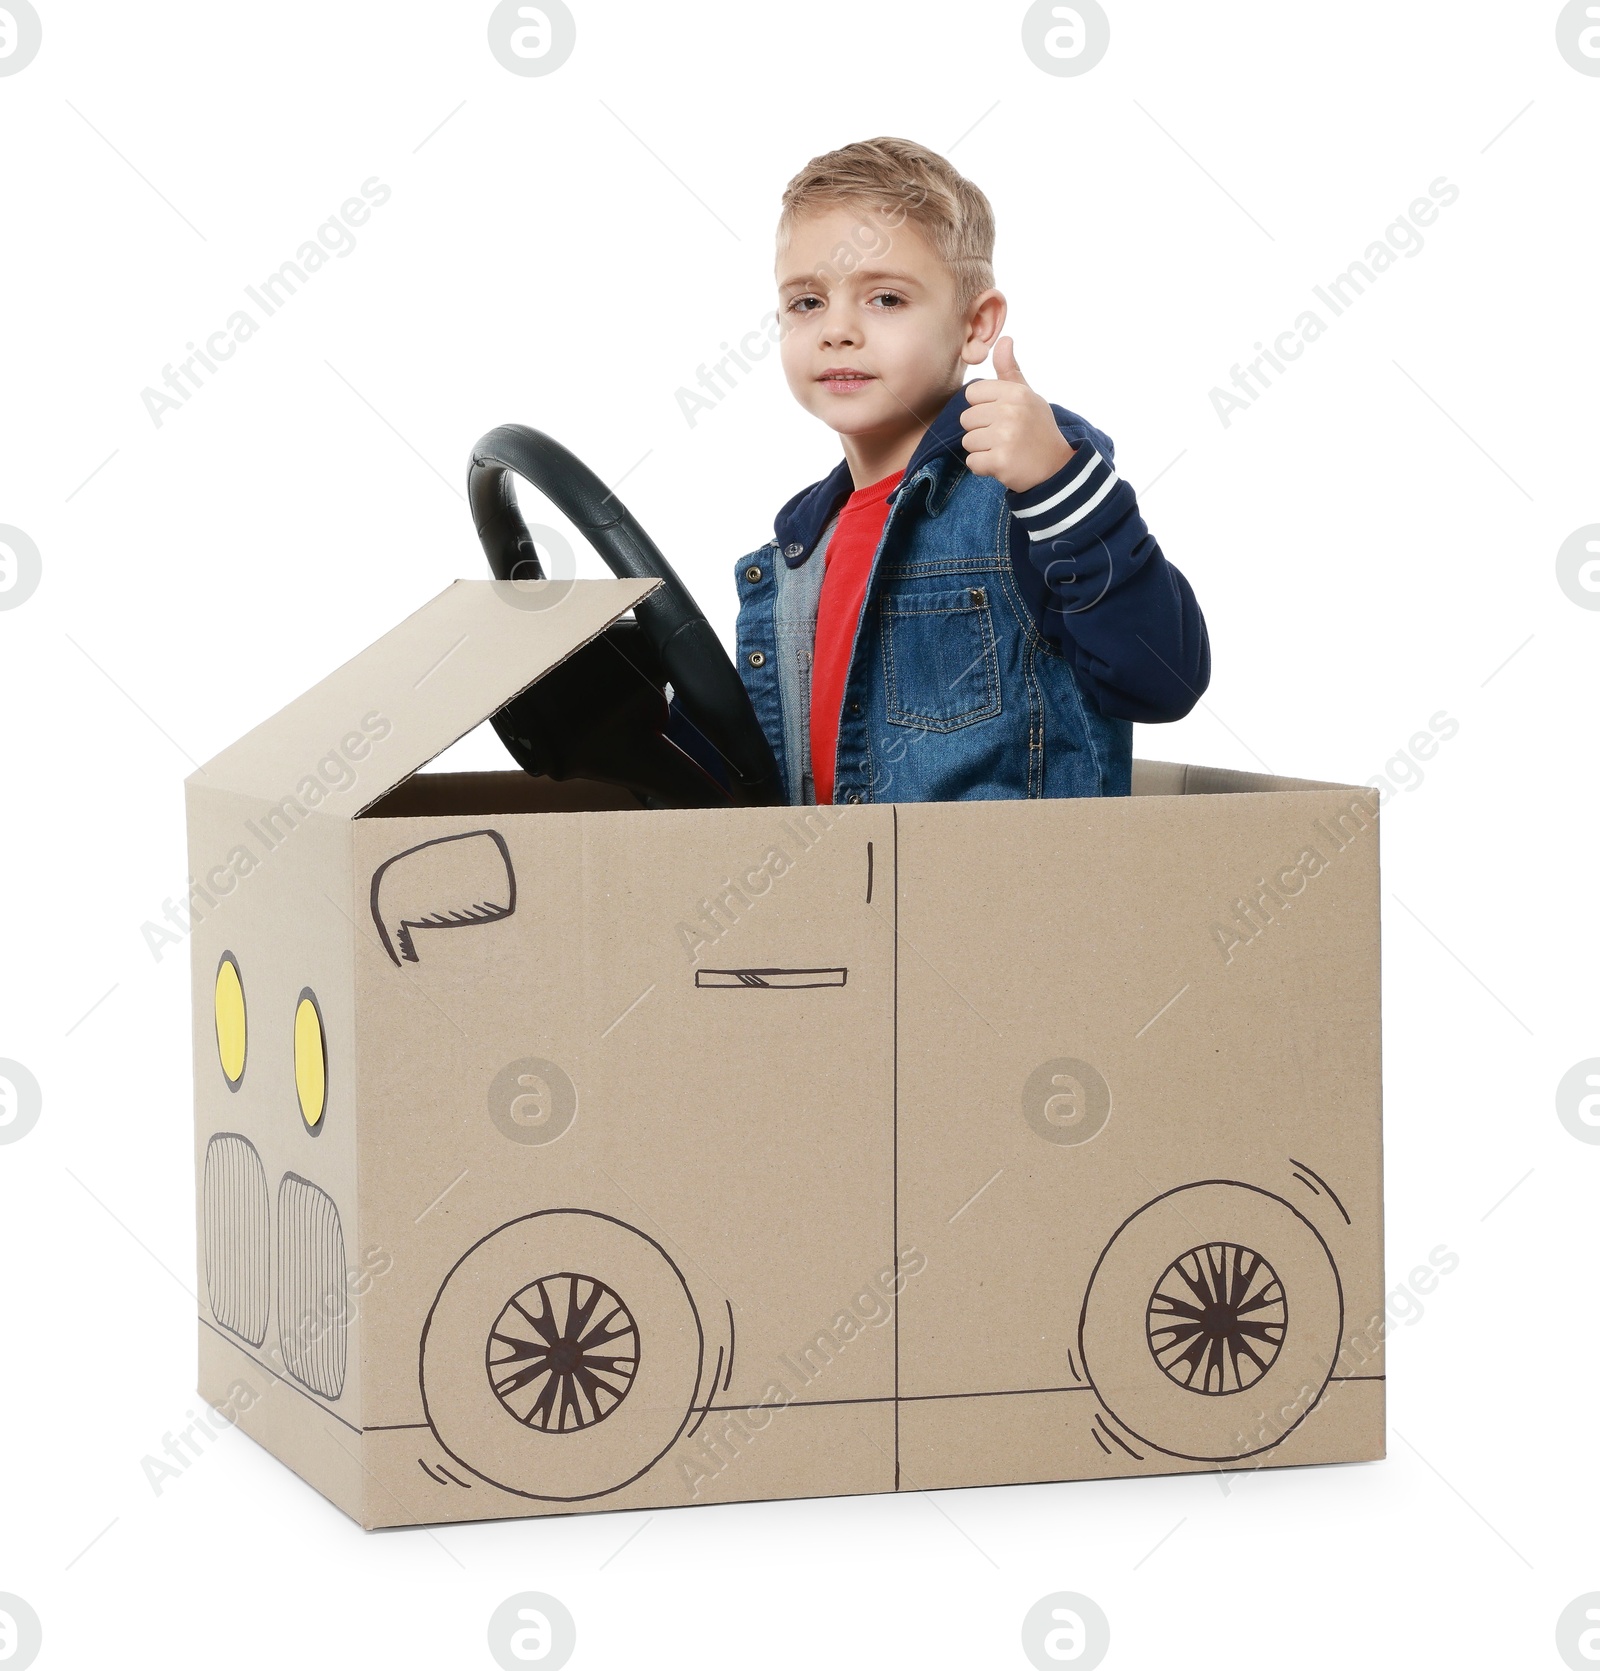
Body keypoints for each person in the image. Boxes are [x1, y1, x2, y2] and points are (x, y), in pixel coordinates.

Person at [717, 136, 1209, 806]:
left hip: (1004, 902)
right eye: (807, 302)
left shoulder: (1024, 487)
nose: (836, 329)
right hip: (845, 902)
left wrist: (1056, 484)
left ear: (976, 326)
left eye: (885, 299)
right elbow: (748, 774)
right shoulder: (796, 553)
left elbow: (1162, 678)